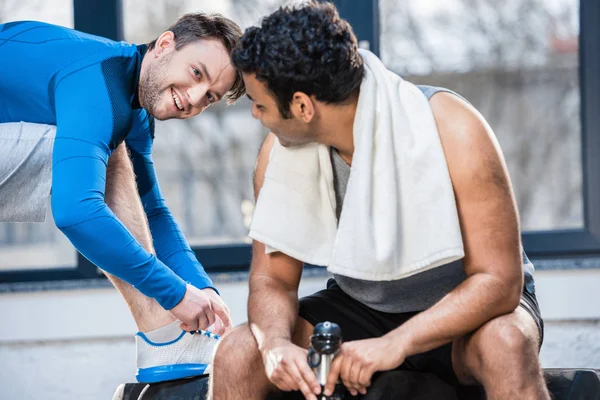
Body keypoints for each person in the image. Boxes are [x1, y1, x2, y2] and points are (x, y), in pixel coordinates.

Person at [209, 2, 550, 399]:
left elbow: (499, 281)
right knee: (237, 353)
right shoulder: (278, 155)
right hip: (363, 306)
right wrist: (274, 346)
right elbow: (273, 279)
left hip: (465, 310)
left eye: (260, 104)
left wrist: (398, 342)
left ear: (302, 106)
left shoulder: (452, 126)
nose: (254, 114)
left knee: (507, 343)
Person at [0, 13, 245, 383]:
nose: (194, 99)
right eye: (197, 73)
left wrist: (202, 290)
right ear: (165, 44)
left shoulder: (132, 103)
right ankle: (163, 336)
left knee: (116, 151)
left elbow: (154, 212)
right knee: (112, 152)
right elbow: (75, 212)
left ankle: (165, 336)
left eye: (210, 96)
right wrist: (175, 294)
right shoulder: (98, 82)